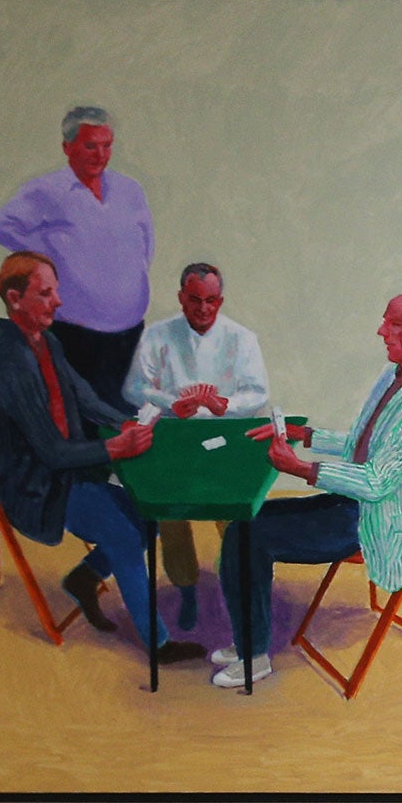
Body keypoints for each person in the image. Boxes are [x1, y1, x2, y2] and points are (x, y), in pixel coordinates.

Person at [0, 252, 203, 664]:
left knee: (146, 512)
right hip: (34, 485)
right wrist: (116, 447)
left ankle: (84, 577)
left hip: (65, 472)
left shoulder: (46, 342)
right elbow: (51, 452)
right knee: (125, 535)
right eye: (46, 293)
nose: (57, 301)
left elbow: (86, 400)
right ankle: (158, 644)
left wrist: (127, 425)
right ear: (14, 299)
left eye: (56, 290)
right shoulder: (8, 364)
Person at [214, 293, 402, 690]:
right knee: (244, 522)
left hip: (373, 521)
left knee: (247, 535)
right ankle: (247, 640)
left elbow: (376, 482)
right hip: (350, 504)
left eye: (393, 324)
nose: (381, 331)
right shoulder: (394, 376)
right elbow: (363, 444)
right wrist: (306, 435)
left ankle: (253, 656)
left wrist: (303, 469)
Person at [124, 263, 273, 632]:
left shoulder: (242, 338)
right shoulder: (158, 335)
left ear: (220, 300)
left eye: (210, 301)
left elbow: (258, 393)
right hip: (175, 437)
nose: (203, 309)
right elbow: (134, 388)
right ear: (181, 298)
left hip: (226, 437)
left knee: (234, 513)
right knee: (171, 513)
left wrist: (226, 405)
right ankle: (187, 590)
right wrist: (170, 401)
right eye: (194, 300)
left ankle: (238, 588)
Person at [0, 106, 155, 411]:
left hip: (130, 332)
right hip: (76, 335)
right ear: (67, 147)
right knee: (83, 418)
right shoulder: (47, 190)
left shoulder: (130, 190)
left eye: (107, 145)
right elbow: (0, 226)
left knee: (130, 416)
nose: (100, 154)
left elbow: (146, 245)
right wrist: (50, 257)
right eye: (90, 145)